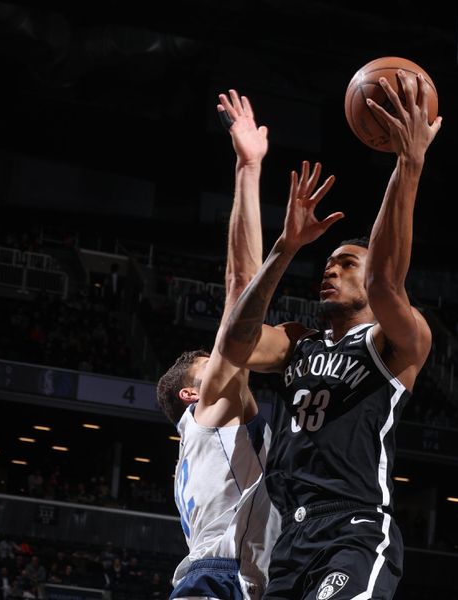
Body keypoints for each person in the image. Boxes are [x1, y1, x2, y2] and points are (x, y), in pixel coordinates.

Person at [219, 70, 441, 600]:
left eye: (346, 263)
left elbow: (387, 277)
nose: (330, 270)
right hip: (289, 536)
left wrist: (409, 164)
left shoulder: (397, 343)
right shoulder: (299, 342)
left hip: (355, 529)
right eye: (327, 263)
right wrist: (285, 247)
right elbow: (234, 345)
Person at [156, 89, 280, 600]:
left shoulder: (199, 445)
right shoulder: (210, 411)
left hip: (242, 576)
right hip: (222, 576)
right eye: (213, 360)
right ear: (192, 395)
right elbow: (240, 290)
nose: (230, 354)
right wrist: (248, 169)